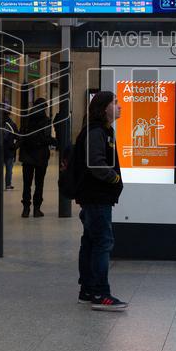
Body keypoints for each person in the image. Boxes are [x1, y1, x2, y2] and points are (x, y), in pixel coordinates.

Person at [75, 91, 126, 311]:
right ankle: (100, 293)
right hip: (96, 197)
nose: (119, 106)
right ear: (104, 107)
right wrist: (114, 177)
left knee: (91, 241)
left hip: (95, 196)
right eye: (115, 103)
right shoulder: (97, 132)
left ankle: (87, 290)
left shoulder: (103, 130)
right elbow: (95, 163)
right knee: (103, 243)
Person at [19, 98, 55, 218]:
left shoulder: (25, 119)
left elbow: (21, 136)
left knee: (26, 184)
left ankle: (25, 209)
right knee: (39, 184)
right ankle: (36, 209)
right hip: (41, 156)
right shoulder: (46, 121)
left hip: (27, 156)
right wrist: (56, 142)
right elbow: (46, 138)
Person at [3, 113, 18, 191]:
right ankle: (8, 185)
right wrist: (14, 146)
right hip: (9, 149)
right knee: (9, 169)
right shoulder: (12, 124)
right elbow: (17, 136)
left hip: (0, 150)